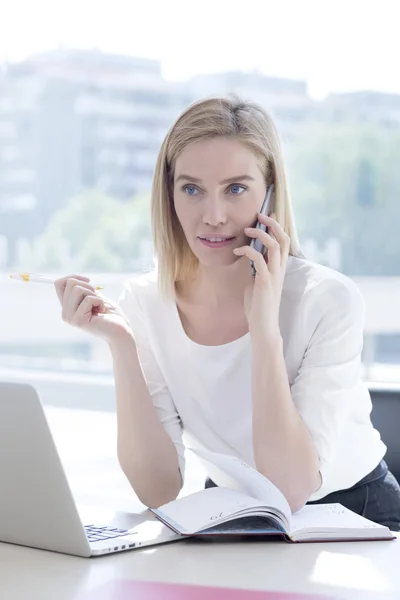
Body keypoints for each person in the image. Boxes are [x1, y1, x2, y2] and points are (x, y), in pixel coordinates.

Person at [55, 96, 400, 530]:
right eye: (191, 189)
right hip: (228, 506)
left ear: (270, 193)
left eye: (235, 189)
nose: (213, 216)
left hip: (354, 510)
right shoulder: (145, 301)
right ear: (170, 193)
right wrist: (122, 346)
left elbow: (290, 488)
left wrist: (264, 328)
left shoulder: (327, 299)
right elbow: (157, 489)